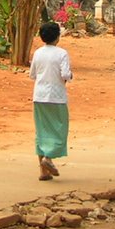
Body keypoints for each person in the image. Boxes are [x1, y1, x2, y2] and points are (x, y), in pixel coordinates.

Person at [29, 21, 72, 180]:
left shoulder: (38, 53)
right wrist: (70, 77)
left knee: (42, 131)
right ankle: (48, 159)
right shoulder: (62, 53)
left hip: (39, 96)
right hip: (56, 97)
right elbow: (66, 75)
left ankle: (43, 171)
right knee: (59, 129)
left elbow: (32, 75)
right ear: (57, 37)